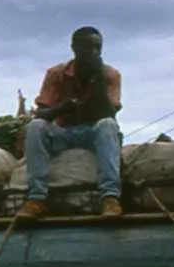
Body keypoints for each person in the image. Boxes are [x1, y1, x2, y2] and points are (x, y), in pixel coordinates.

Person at [18, 26, 124, 220]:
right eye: (88, 48)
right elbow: (40, 113)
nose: (94, 52)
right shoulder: (56, 74)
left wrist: (98, 81)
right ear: (74, 49)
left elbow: (110, 113)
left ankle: (110, 197)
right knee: (35, 126)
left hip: (94, 133)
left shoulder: (110, 75)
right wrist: (61, 109)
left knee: (108, 125)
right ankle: (36, 198)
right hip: (63, 133)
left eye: (98, 48)